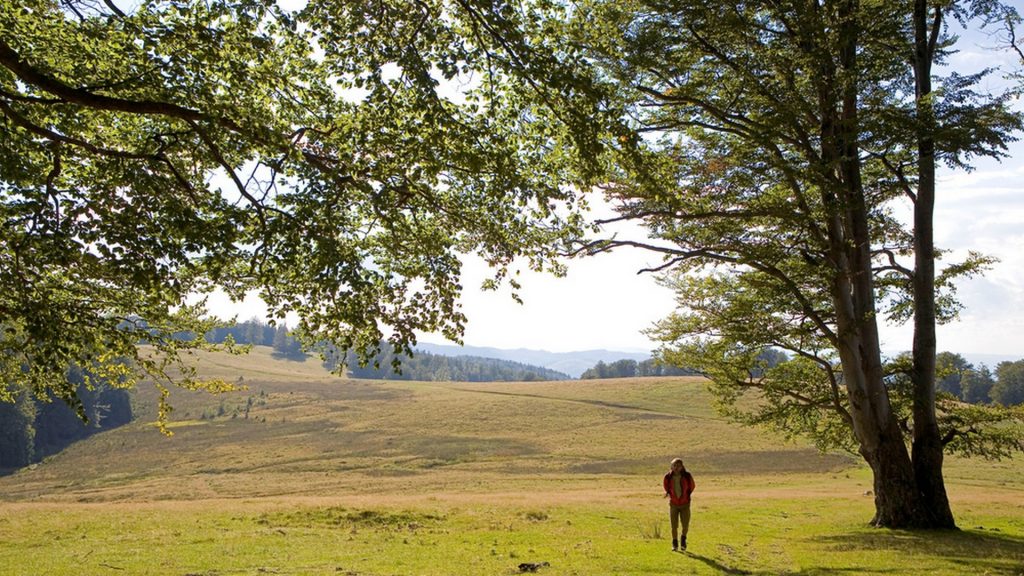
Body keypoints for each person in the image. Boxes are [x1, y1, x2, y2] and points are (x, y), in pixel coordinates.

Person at [663, 457, 695, 551]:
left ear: (682, 467)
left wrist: (686, 495)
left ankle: (683, 539)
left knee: (685, 524)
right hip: (674, 504)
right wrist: (672, 495)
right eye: (674, 465)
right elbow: (666, 486)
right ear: (671, 467)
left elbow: (692, 486)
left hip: (685, 504)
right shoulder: (668, 477)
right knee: (674, 525)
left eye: (678, 465)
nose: (676, 467)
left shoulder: (687, 476)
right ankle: (675, 543)